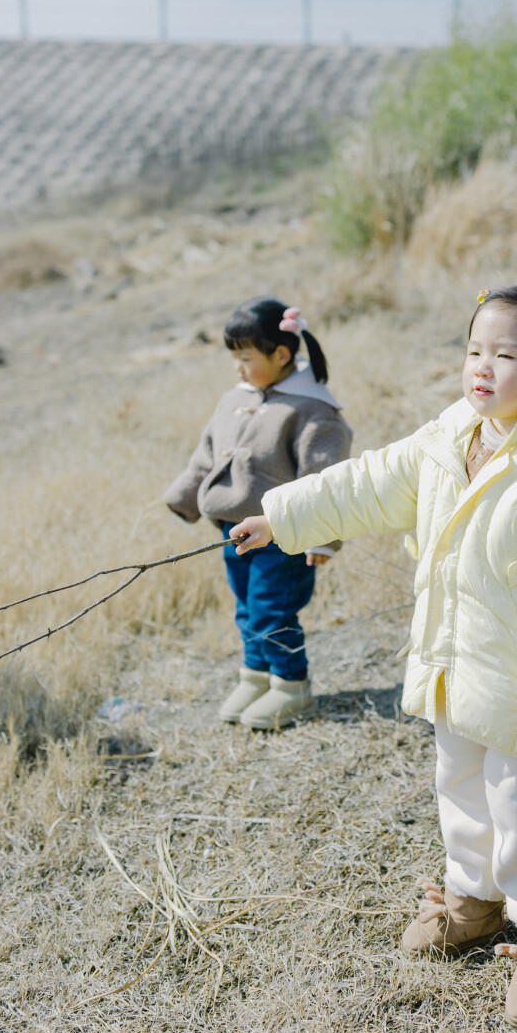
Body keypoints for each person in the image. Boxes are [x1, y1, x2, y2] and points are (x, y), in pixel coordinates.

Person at [229, 285, 517, 1028]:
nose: (481, 366)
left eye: (505, 354)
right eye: (474, 350)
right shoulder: (456, 432)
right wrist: (281, 515)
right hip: (458, 666)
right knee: (462, 791)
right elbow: (371, 482)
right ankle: (473, 902)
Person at [163, 298, 352, 729]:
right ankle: (257, 676)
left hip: (285, 534)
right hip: (236, 532)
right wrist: (185, 497)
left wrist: (322, 536)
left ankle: (291, 685)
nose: (237, 367)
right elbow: (207, 454)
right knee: (247, 606)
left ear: (281, 355)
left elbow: (324, 479)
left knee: (273, 609)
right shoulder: (235, 399)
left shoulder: (312, 410)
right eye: (234, 357)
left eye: (245, 358)